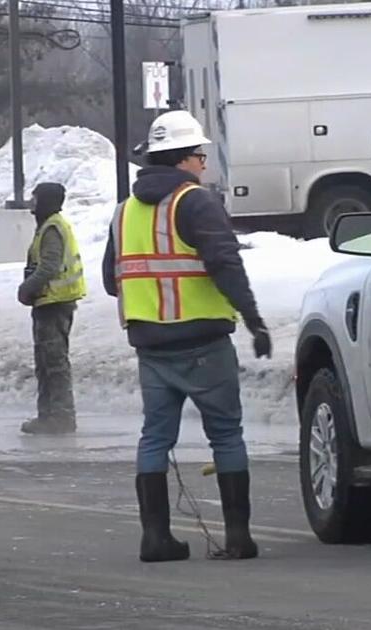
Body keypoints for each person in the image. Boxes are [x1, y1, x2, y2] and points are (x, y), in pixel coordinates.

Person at [102, 110, 272, 563]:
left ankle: (155, 539)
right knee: (226, 436)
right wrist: (254, 320)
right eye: (200, 156)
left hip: (151, 345)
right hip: (203, 342)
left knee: (155, 438)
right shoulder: (194, 202)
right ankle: (238, 538)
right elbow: (225, 264)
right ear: (183, 160)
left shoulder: (124, 212)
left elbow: (110, 278)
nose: (203, 165)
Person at [17, 182, 86, 435]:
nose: (32, 204)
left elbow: (49, 266)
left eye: (35, 198)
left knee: (54, 363)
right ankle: (48, 415)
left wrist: (26, 288)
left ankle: (60, 416)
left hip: (54, 302)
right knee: (46, 362)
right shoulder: (49, 226)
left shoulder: (53, 228)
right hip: (50, 301)